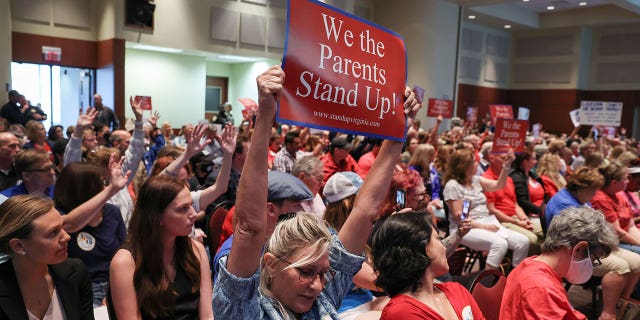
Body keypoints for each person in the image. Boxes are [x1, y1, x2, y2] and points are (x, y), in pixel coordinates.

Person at [212, 65, 420, 319]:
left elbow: (365, 212)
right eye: (305, 272)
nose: (317, 285)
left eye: (322, 273)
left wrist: (398, 127)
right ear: (272, 264)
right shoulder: (244, 311)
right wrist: (266, 115)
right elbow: (248, 229)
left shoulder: (320, 300)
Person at [109, 175, 213, 319]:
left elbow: (207, 315)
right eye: (183, 209)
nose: (194, 214)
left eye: (191, 205)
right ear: (157, 217)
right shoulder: (125, 262)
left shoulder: (196, 250)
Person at [545, 167, 640, 320]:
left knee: (637, 261)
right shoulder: (564, 204)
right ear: (583, 188)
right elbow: (575, 239)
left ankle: (620, 303)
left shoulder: (581, 199)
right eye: (593, 190)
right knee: (620, 267)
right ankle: (607, 313)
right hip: (576, 252)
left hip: (593, 245)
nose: (595, 194)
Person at [500, 206, 618, 320]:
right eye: (592, 260)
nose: (591, 266)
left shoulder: (531, 264)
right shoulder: (540, 288)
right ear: (579, 249)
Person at [372, 211, 485, 320]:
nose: (443, 247)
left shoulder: (457, 290)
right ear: (423, 247)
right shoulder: (402, 311)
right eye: (438, 239)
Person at [0, 195, 94, 320]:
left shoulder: (75, 272)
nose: (67, 237)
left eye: (62, 227)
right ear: (18, 246)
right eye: (53, 232)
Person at [443, 149, 530, 270]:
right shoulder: (452, 185)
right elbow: (461, 219)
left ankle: (513, 278)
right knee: (499, 244)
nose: (477, 164)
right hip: (466, 228)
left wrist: (506, 167)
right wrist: (484, 227)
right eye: (473, 162)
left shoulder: (476, 180)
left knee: (523, 242)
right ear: (463, 166)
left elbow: (498, 185)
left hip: (488, 222)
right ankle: (486, 282)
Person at [55, 161, 127, 307]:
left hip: (115, 282)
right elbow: (69, 225)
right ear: (85, 189)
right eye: (100, 183)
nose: (103, 187)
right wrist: (112, 189)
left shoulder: (111, 212)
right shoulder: (56, 215)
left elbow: (125, 249)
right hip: (80, 289)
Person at [591, 162, 640, 254]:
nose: (628, 181)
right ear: (614, 182)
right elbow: (616, 231)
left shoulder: (620, 194)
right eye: (625, 179)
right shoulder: (600, 199)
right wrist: (638, 243)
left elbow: (631, 225)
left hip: (627, 236)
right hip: (614, 241)